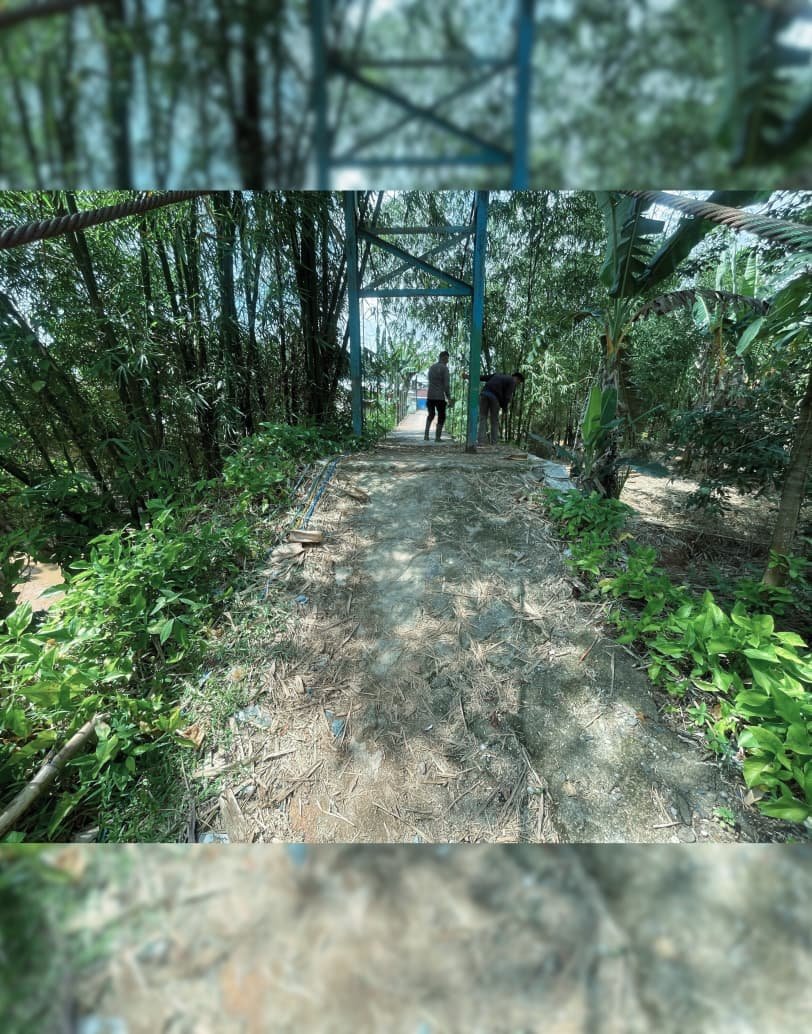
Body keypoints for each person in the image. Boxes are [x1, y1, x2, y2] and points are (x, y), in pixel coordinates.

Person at [476, 371, 524, 446]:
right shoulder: (512, 381)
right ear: (517, 378)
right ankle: (494, 443)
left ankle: (480, 441)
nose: (517, 384)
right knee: (494, 420)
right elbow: (507, 396)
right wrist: (505, 408)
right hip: (494, 398)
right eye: (518, 382)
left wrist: (468, 376)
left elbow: (482, 377)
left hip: (484, 394)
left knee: (483, 418)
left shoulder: (497, 375)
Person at [424, 350, 452, 442]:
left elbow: (430, 380)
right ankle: (437, 437)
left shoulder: (431, 367)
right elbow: (446, 385)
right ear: (444, 358)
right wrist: (449, 398)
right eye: (447, 359)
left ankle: (426, 435)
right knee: (441, 416)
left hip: (430, 395)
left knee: (431, 414)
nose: (448, 361)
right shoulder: (445, 368)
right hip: (439, 396)